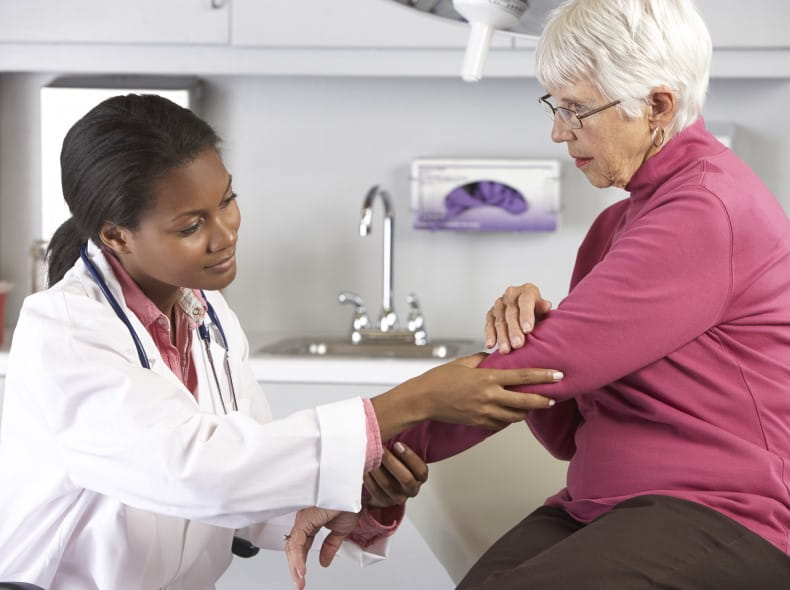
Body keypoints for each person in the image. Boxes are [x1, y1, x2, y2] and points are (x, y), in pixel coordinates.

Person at [288, 0, 790, 587]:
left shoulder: (708, 209)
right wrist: (531, 334)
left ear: (657, 106)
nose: (558, 131)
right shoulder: (617, 225)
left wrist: (359, 458)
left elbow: (541, 371)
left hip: (723, 513)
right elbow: (561, 424)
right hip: (602, 504)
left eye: (577, 109)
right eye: (556, 106)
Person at [0, 93, 562, 589]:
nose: (225, 234)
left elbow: (247, 491)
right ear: (117, 236)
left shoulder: (207, 315)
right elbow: (198, 471)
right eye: (191, 226)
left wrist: (361, 501)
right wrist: (415, 400)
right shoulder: (65, 332)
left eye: (226, 200)